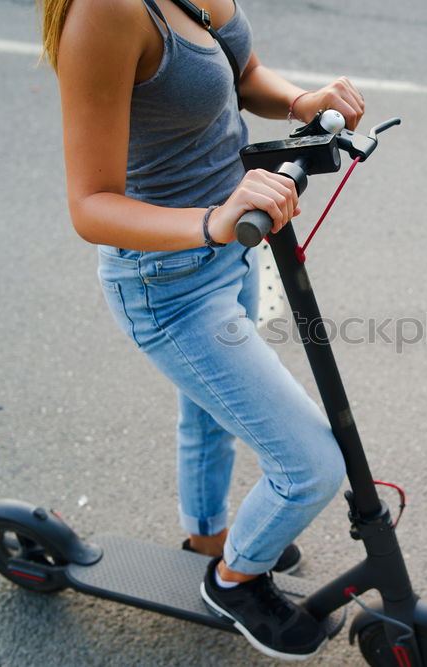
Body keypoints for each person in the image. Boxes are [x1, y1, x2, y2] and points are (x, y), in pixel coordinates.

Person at [40, 0, 364, 659]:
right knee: (312, 464)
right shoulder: (105, 13)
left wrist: (303, 99)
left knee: (209, 415)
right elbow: (90, 204)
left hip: (233, 245)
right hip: (169, 280)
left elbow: (238, 72)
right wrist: (213, 221)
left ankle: (211, 538)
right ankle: (235, 578)